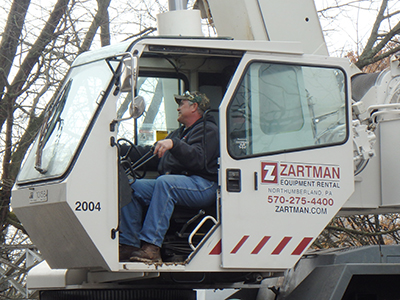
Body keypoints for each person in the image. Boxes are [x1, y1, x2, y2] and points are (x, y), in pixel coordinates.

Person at [119, 91, 219, 263]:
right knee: (132, 186)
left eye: (182, 103)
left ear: (194, 107)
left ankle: (151, 246)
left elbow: (198, 160)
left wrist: (175, 145)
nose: (178, 108)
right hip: (180, 183)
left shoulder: (209, 130)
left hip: (204, 185)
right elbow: (151, 155)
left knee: (165, 183)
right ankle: (129, 245)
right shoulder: (178, 134)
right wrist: (119, 149)